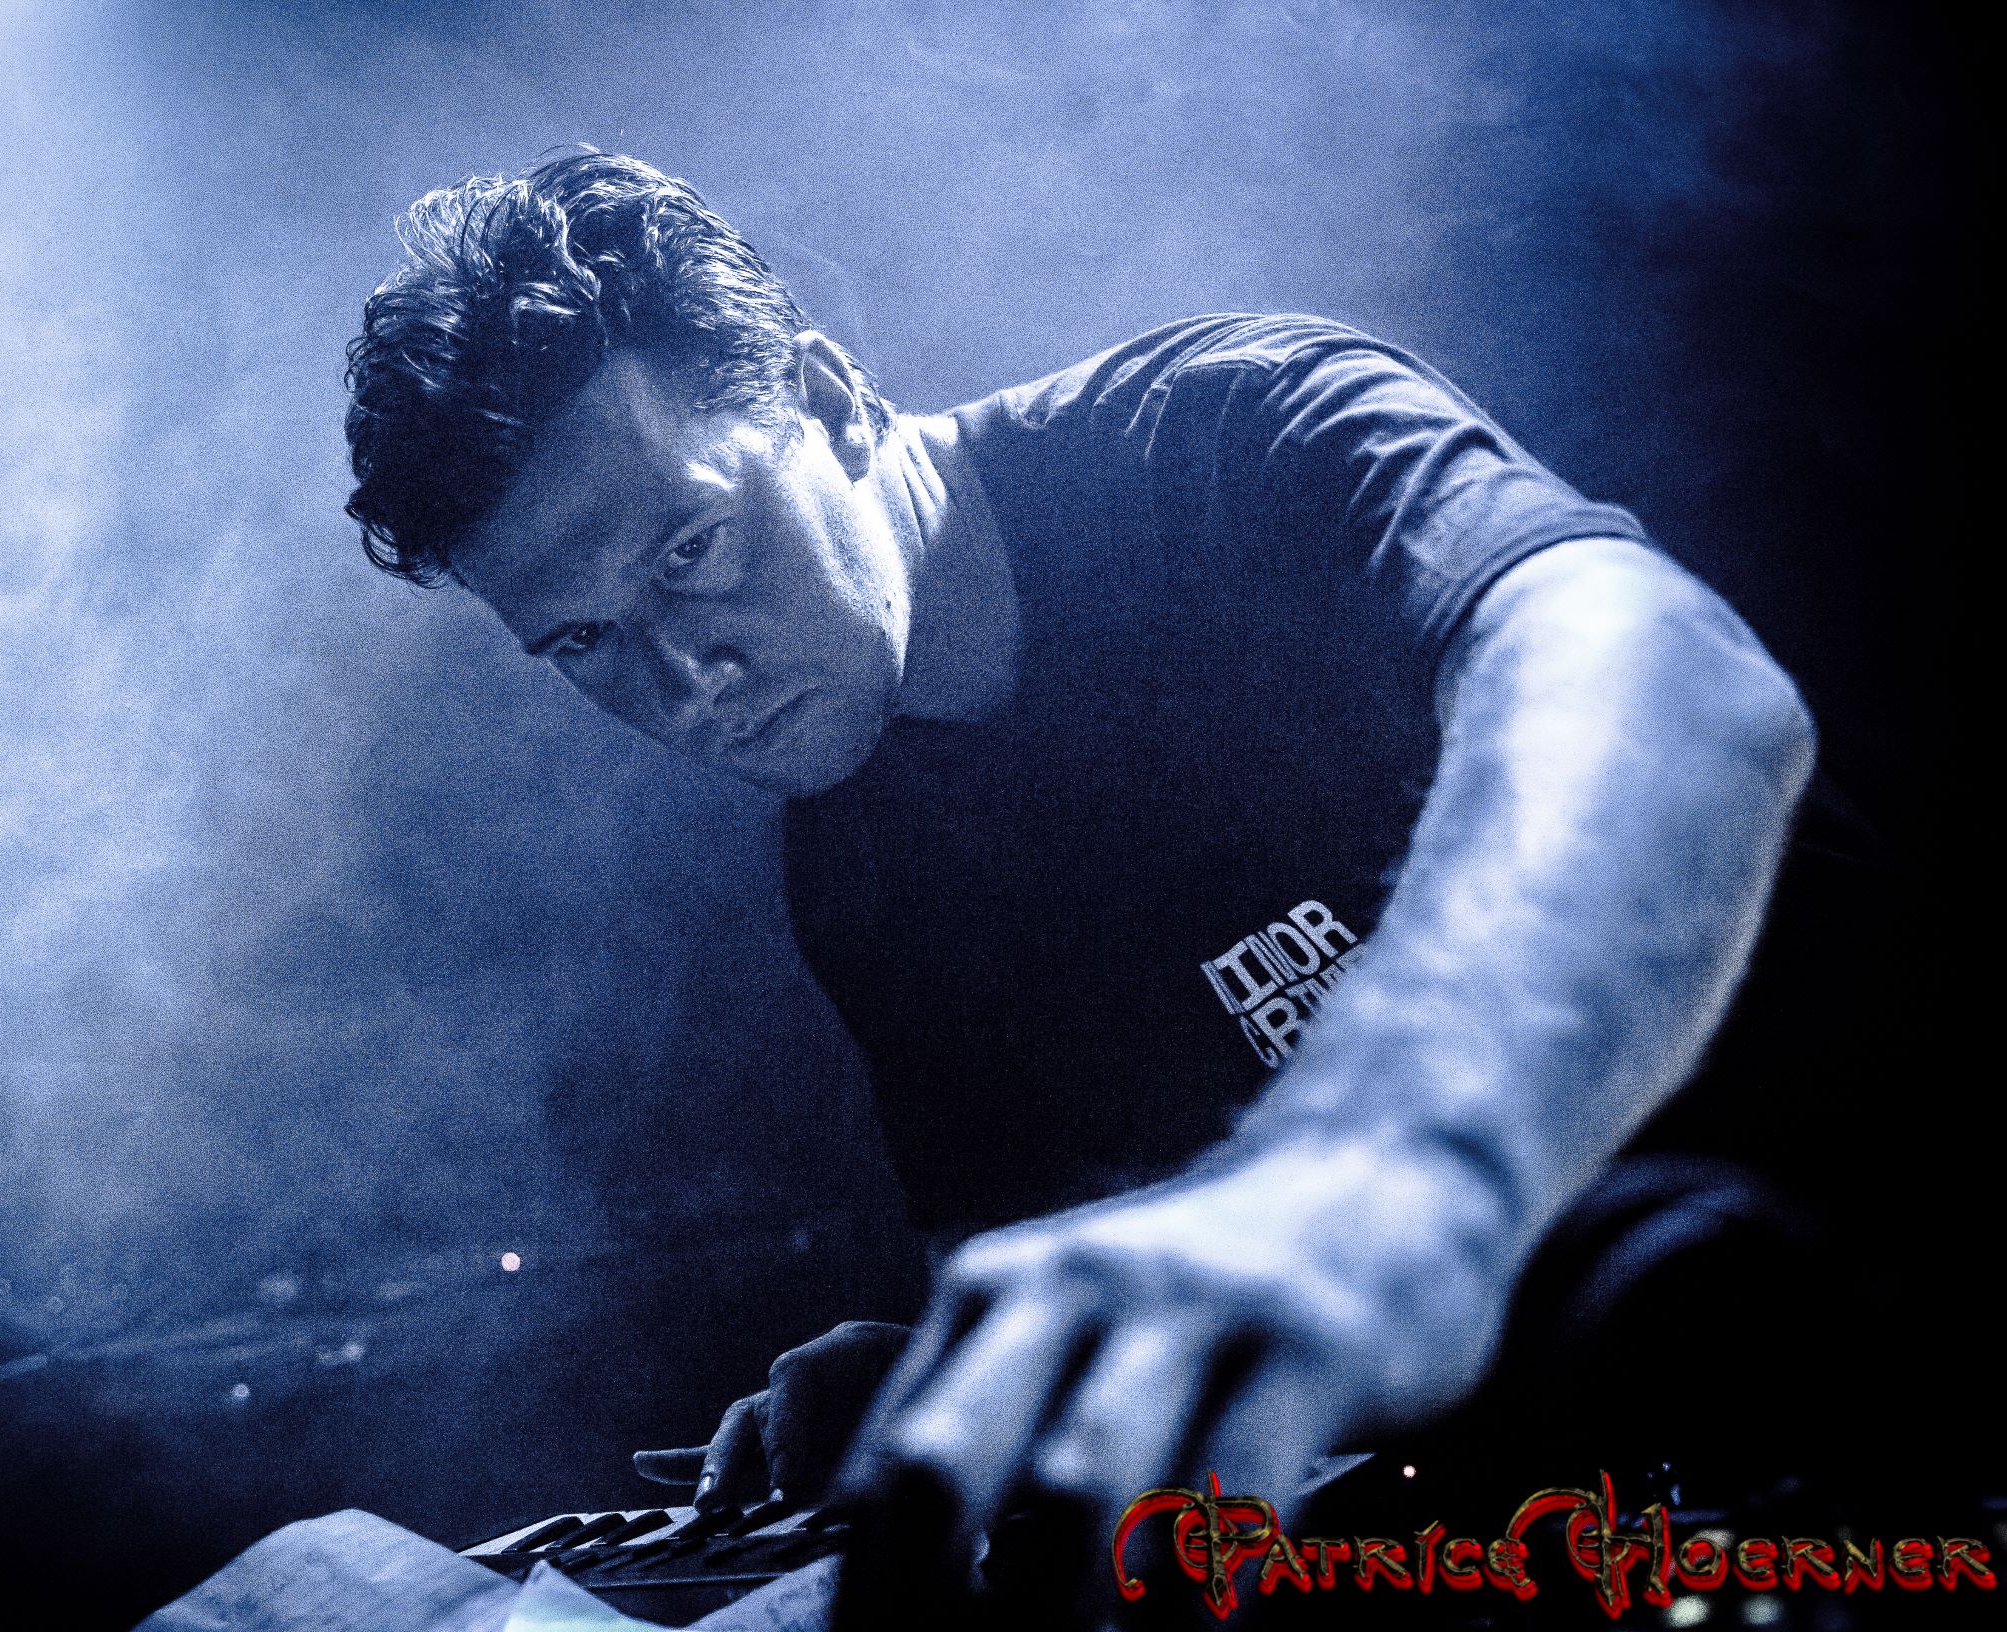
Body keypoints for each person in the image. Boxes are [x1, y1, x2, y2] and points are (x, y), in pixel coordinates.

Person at [339, 151, 1821, 1621]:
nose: (685, 677)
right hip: (1531, 1520)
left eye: (693, 549)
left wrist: (1389, 1157)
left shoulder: (1232, 433)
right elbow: (1132, 1267)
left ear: (829, 399)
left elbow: (1675, 679)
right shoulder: (859, 871)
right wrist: (965, 1373)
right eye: (583, 641)